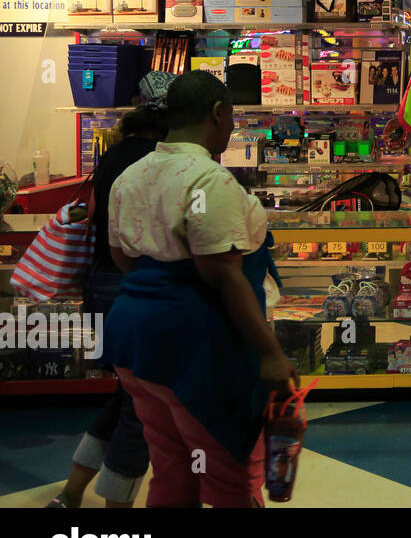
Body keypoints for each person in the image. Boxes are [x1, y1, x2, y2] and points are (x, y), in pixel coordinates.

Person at [104, 70, 299, 507]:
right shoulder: (208, 179)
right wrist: (270, 353)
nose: (232, 127)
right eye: (231, 117)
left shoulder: (130, 176)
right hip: (193, 347)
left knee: (174, 468)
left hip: (133, 343)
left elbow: (123, 259)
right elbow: (223, 274)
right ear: (218, 112)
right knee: (229, 476)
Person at [47, 75, 172, 508]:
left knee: (127, 395)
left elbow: (101, 222)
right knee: (144, 407)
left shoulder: (114, 153)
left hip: (101, 285)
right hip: (138, 286)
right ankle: (116, 506)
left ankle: (69, 494)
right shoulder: (160, 159)